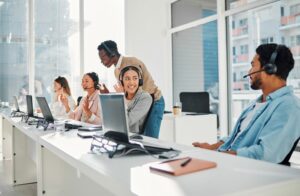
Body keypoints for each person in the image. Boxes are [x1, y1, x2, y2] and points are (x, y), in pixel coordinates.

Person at [193, 43, 300, 163]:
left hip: (245, 171)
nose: (249, 71)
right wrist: (211, 148)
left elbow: (265, 154)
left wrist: (220, 158)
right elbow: (236, 137)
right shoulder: (255, 104)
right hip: (228, 162)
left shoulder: (290, 107)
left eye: (253, 65)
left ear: (269, 69)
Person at [97, 40, 164, 138]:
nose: (102, 62)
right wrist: (108, 94)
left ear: (112, 53)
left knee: (150, 138)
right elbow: (127, 94)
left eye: (103, 58)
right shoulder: (116, 71)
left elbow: (134, 89)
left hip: (154, 100)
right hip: (140, 101)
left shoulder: (131, 62)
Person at [118, 66, 152, 133]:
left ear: (139, 81)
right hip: (116, 133)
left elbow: (127, 122)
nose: (131, 82)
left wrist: (121, 99)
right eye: (127, 79)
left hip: (132, 138)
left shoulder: (145, 97)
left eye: (135, 78)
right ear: (122, 82)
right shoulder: (120, 96)